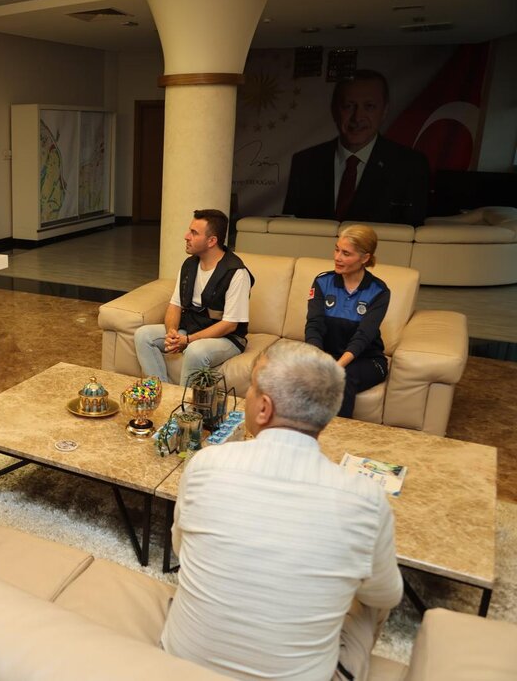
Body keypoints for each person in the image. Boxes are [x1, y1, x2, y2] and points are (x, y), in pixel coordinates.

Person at [161, 341, 403, 681]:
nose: (246, 395)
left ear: (264, 408)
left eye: (251, 388)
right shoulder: (367, 499)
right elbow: (387, 594)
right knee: (370, 601)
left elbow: (180, 548)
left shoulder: (206, 463)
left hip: (181, 661)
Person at [282, 69, 430, 226]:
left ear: (385, 110)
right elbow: (288, 229)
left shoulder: (410, 165)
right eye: (348, 106)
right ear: (334, 110)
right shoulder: (305, 162)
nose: (357, 117)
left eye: (369, 106)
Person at [133, 209, 253, 385]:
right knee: (143, 335)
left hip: (227, 338)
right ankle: (161, 391)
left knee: (195, 351)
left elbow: (230, 324)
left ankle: (183, 402)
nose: (186, 236)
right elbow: (175, 305)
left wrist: (189, 340)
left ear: (212, 241)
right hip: (190, 328)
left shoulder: (236, 273)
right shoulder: (189, 265)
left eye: (194, 233)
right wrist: (172, 332)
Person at [305, 225, 389, 419]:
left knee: (341, 379)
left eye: (346, 253)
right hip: (327, 355)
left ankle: (337, 434)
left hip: (366, 359)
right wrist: (319, 361)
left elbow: (364, 336)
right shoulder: (322, 282)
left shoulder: (379, 291)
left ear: (365, 258)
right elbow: (314, 326)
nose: (337, 257)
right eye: (336, 250)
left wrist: (336, 367)